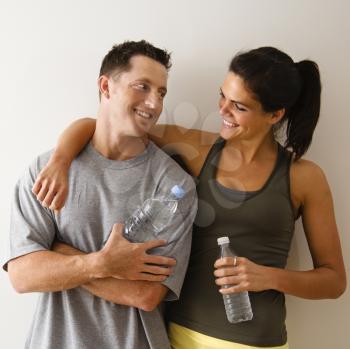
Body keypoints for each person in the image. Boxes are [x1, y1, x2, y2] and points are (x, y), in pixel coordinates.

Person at [30, 47, 346, 349]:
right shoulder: (200, 149)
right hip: (181, 337)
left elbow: (333, 281)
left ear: (275, 114)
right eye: (223, 96)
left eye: (239, 106)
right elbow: (105, 124)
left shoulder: (305, 177)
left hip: (258, 341)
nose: (223, 110)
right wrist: (60, 161)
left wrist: (268, 277)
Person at [3, 40, 198, 349]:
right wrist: (100, 264)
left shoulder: (175, 187)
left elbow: (145, 295)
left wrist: (60, 253)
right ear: (106, 86)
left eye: (161, 92)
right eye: (142, 86)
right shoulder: (49, 172)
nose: (154, 103)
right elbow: (23, 276)